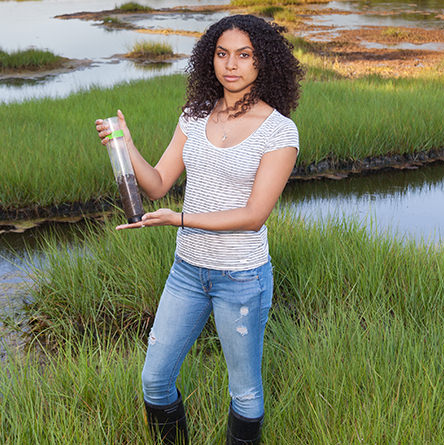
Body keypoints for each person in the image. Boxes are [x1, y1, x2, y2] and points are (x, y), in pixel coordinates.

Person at [96, 14, 304, 445]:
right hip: (187, 272)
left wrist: (180, 218)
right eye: (222, 54)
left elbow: (253, 215)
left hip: (242, 277)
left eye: (244, 55)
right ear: (210, 59)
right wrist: (127, 145)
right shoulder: (193, 116)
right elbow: (156, 185)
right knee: (154, 380)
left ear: (262, 62)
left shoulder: (279, 131)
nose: (231, 64)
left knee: (244, 393)